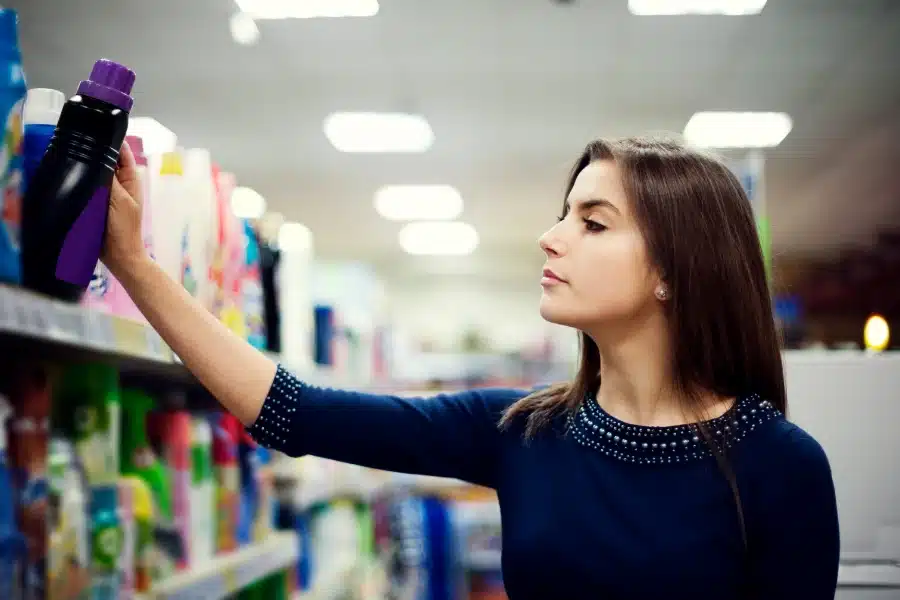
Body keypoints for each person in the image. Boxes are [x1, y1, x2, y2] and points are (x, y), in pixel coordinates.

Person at [103, 136, 840, 600]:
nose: (551, 238)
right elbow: (290, 409)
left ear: (673, 274)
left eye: (592, 222)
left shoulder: (781, 466)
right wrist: (134, 264)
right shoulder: (520, 430)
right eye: (563, 214)